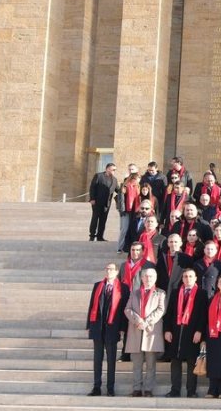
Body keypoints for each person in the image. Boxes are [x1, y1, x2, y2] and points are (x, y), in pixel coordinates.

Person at [86, 263, 129, 397]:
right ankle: (96, 387)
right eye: (107, 269)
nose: (109, 271)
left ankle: (110, 388)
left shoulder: (123, 287)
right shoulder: (98, 285)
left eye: (111, 269)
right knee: (97, 359)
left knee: (111, 360)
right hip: (98, 327)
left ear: (116, 272)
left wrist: (122, 328)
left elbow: (124, 310)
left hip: (113, 328)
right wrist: (89, 325)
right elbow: (91, 305)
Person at [163, 268, 207, 398]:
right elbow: (169, 313)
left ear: (195, 278)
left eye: (190, 276)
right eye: (185, 277)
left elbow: (203, 315)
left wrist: (199, 331)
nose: (188, 279)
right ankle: (175, 390)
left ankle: (191, 391)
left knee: (191, 362)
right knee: (175, 362)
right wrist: (167, 330)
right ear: (182, 279)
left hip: (192, 332)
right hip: (176, 332)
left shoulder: (201, 293)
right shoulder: (176, 292)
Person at [124, 268, 165, 397]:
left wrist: (146, 322)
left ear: (156, 278)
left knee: (151, 364)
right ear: (141, 278)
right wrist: (138, 320)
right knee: (136, 364)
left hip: (150, 332)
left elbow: (160, 310)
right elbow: (127, 309)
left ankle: (148, 389)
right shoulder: (134, 293)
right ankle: (136, 388)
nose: (148, 279)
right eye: (146, 276)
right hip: (136, 330)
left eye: (151, 277)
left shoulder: (160, 293)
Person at [89, 163, 119, 242]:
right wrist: (92, 199)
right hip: (97, 202)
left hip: (107, 204)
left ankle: (100, 236)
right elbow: (93, 187)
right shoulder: (99, 176)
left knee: (103, 220)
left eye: (115, 170)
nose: (114, 171)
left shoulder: (115, 180)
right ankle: (92, 236)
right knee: (95, 219)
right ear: (107, 169)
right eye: (113, 169)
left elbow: (118, 190)